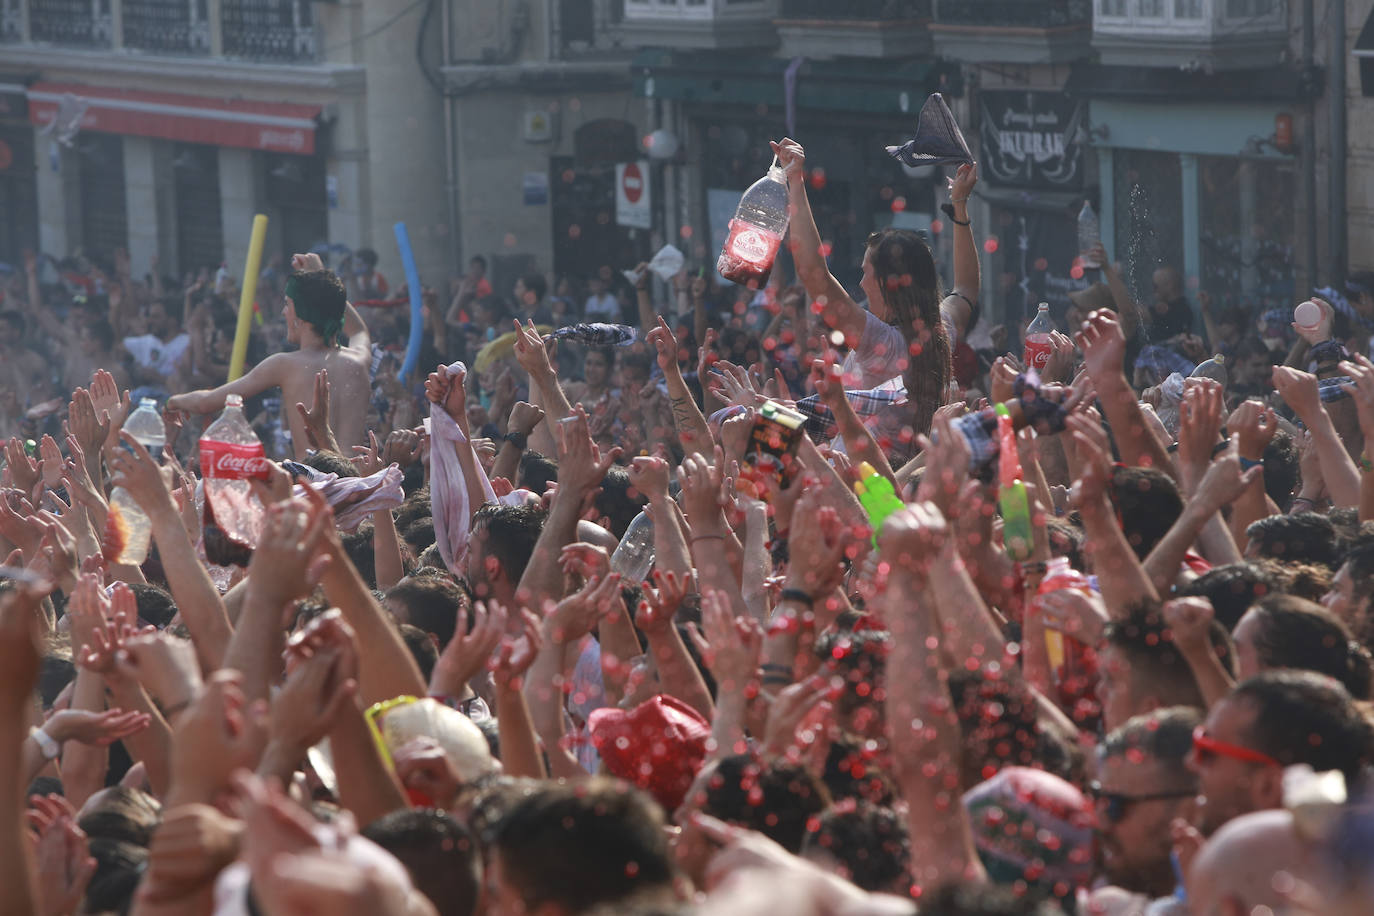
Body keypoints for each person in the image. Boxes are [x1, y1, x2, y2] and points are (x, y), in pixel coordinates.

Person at [167, 253, 371, 459]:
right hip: (361, 484)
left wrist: (174, 401)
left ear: (300, 315)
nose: (284, 313)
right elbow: (359, 331)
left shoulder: (284, 364)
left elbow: (206, 403)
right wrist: (321, 279)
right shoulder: (359, 359)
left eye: (287, 304)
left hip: (316, 485)